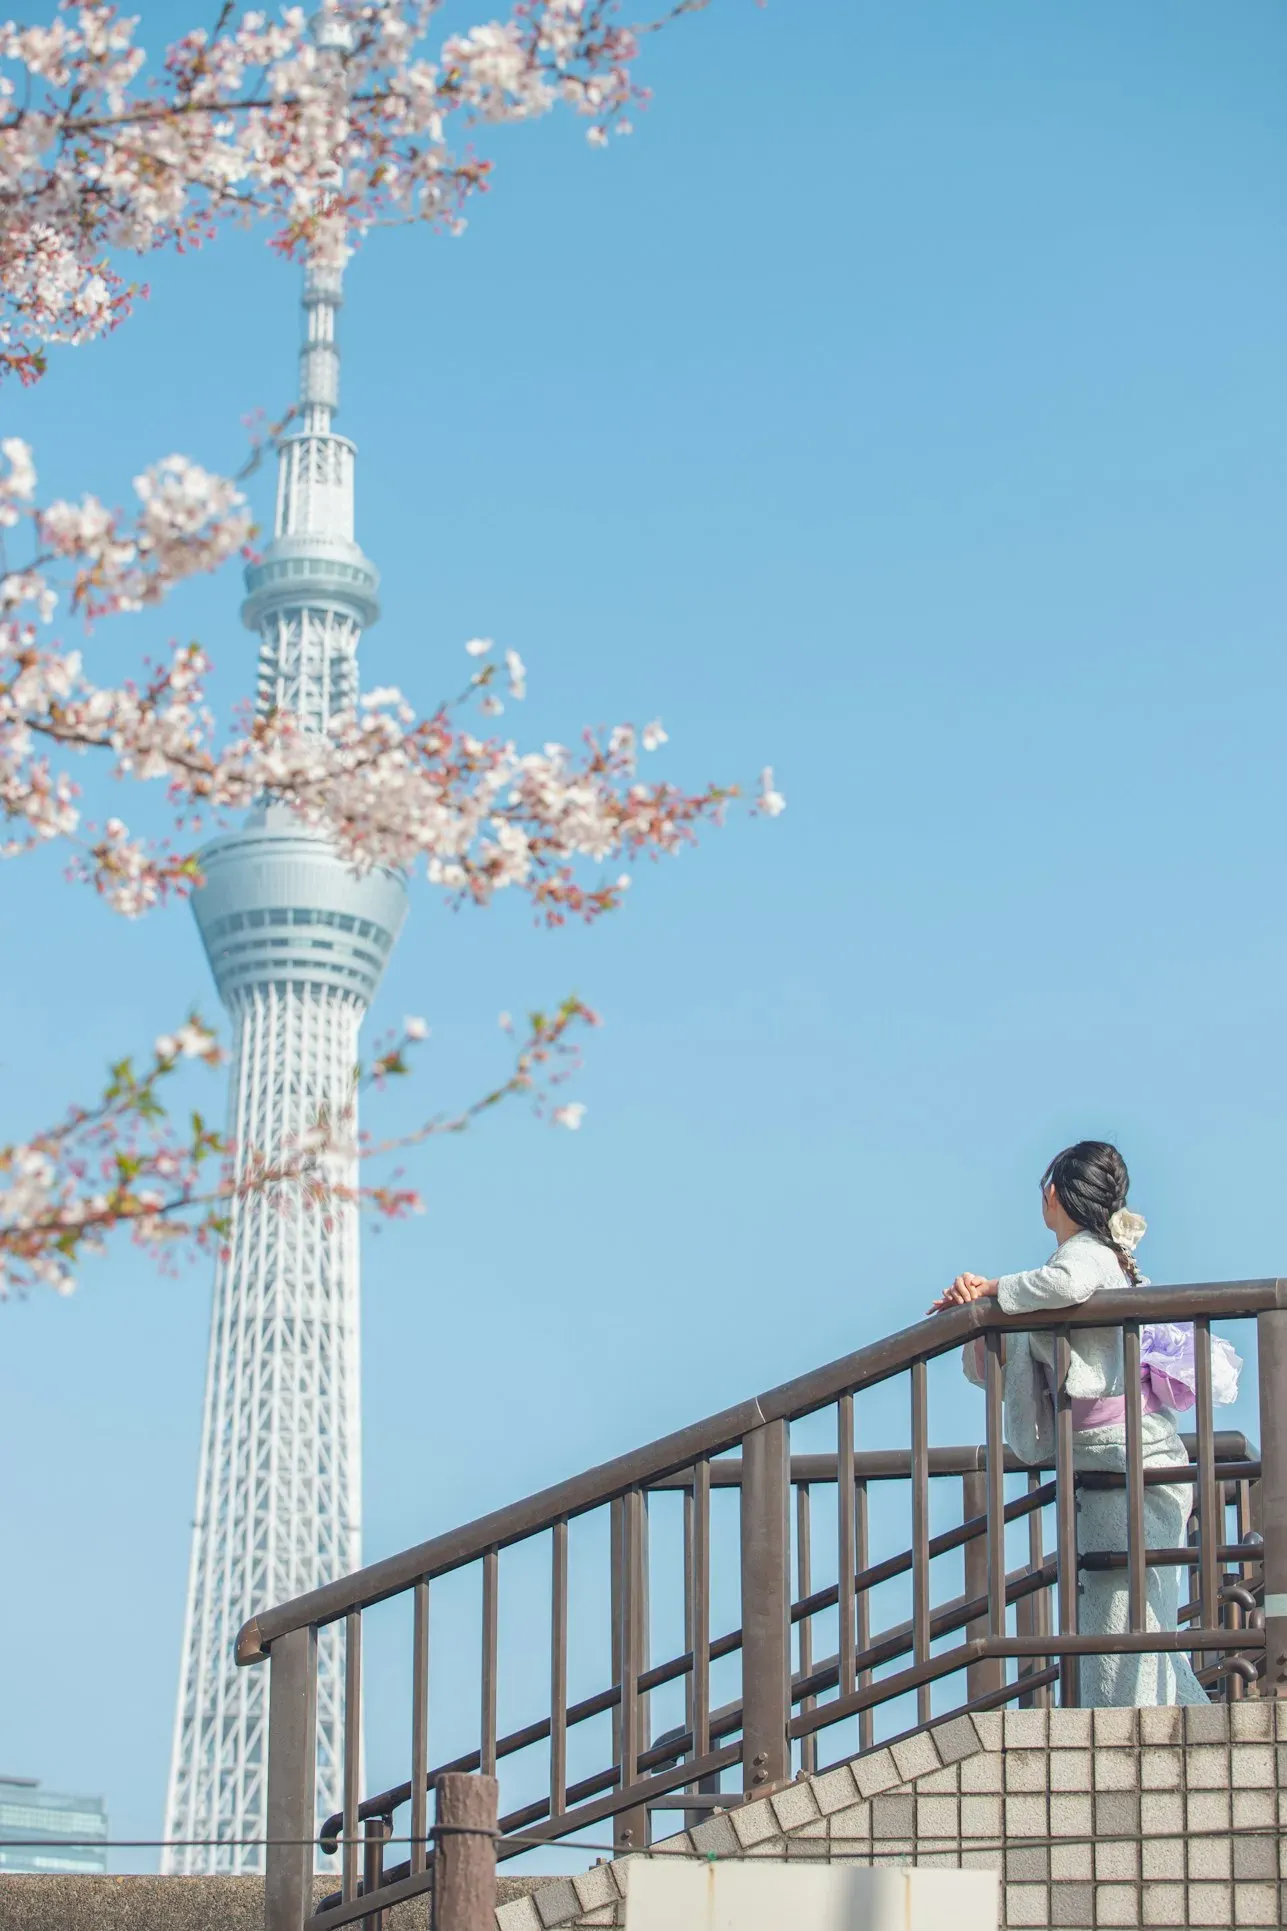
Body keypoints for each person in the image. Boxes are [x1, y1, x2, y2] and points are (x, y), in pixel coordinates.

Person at [928, 1140, 1207, 1707]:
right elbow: (1013, 1348)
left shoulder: (1086, 1257)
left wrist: (993, 1289)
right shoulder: (1094, 1256)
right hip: (1115, 1458)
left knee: (1125, 1611)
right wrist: (981, 1309)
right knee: (1126, 1611)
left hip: (1126, 1457)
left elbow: (1067, 1286)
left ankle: (1133, 1725)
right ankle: (1143, 1722)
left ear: (1052, 1195)